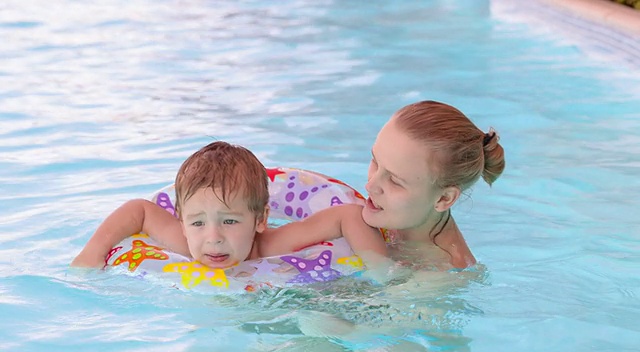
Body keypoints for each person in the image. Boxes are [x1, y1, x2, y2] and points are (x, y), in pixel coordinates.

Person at [71, 141, 387, 269]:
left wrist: (385, 273)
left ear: (260, 219)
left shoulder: (271, 245)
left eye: (230, 221)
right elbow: (137, 210)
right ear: (181, 219)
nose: (214, 237)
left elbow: (348, 216)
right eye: (197, 222)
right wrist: (92, 252)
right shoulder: (183, 241)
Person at [362, 100, 505, 269]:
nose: (370, 186)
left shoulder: (439, 276)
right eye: (375, 162)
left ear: (444, 198)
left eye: (395, 181)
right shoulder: (394, 214)